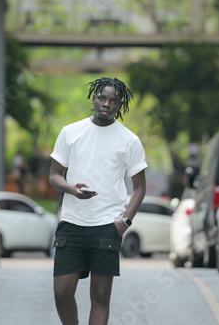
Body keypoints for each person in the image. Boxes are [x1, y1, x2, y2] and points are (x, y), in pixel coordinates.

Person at [49, 77, 147, 325]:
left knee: (101, 297)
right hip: (72, 224)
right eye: (102, 98)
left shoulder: (129, 141)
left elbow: (139, 188)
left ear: (120, 105)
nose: (107, 104)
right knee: (62, 292)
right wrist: (71, 189)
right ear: (94, 98)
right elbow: (53, 176)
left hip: (107, 227)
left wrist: (125, 221)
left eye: (113, 101)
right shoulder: (71, 132)